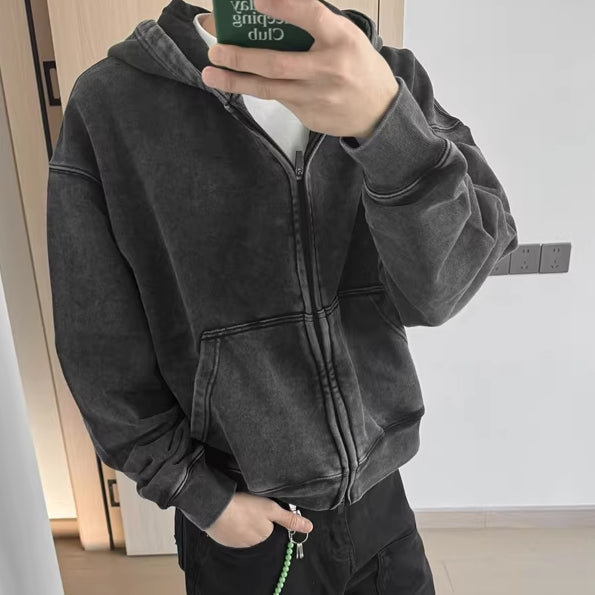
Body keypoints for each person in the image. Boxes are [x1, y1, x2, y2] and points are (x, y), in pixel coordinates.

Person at [46, 0, 518, 593]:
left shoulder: (390, 77)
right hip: (243, 511)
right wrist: (196, 491)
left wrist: (387, 128)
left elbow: (446, 288)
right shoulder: (112, 104)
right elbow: (98, 341)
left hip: (381, 500)